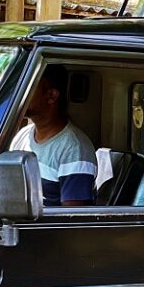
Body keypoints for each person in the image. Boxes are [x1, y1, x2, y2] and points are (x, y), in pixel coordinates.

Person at [10, 66, 97, 206]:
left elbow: (70, 221)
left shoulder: (74, 149)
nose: (20, 94)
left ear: (51, 96)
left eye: (28, 87)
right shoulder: (23, 136)